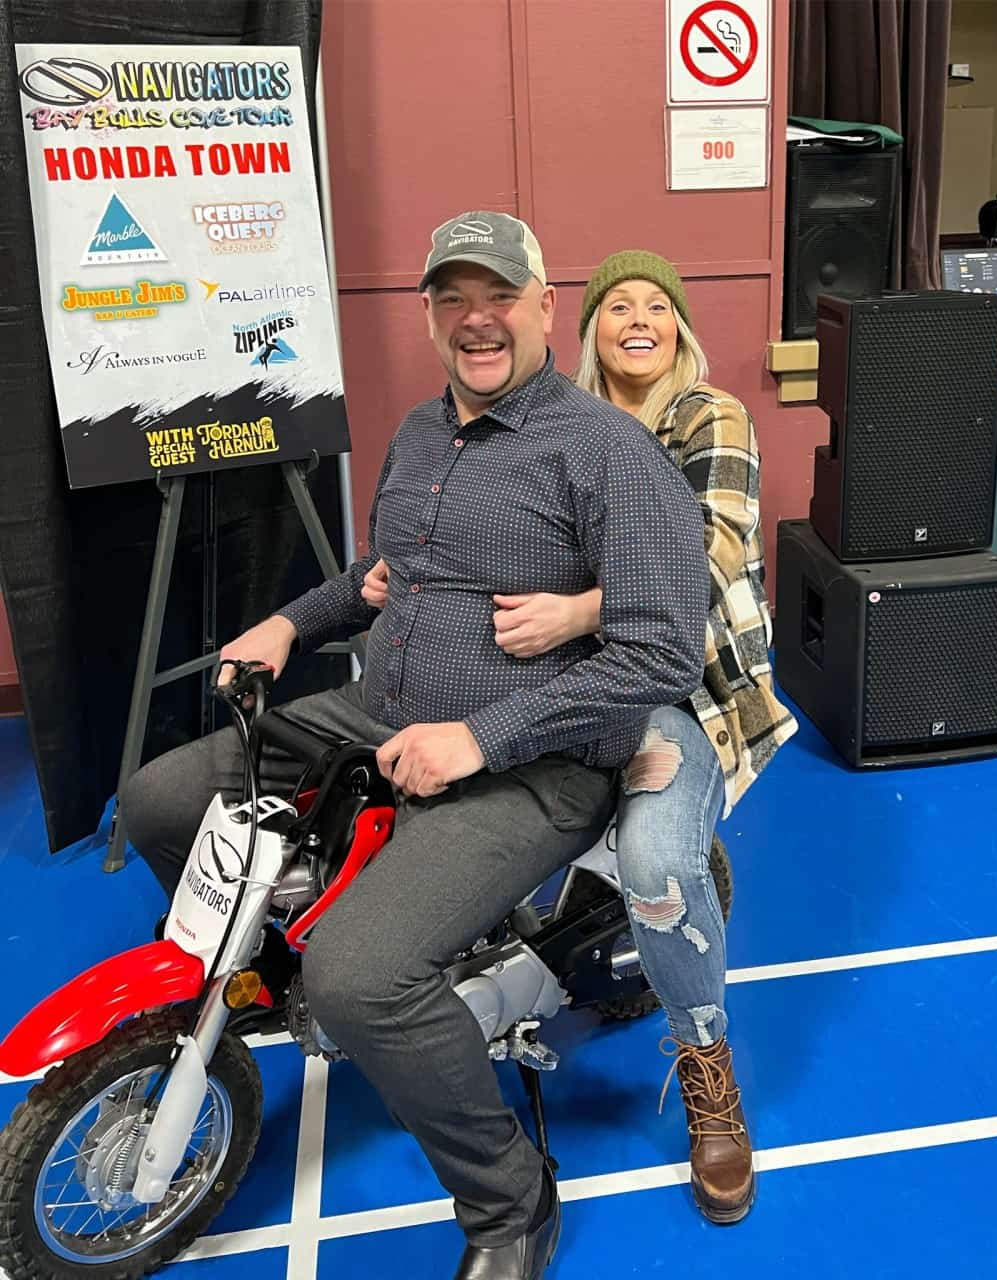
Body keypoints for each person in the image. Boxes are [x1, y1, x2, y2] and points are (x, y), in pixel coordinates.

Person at [121, 215, 710, 1280]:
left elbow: (662, 653)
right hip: (376, 719)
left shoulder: (607, 453)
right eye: (452, 296)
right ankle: (262, 987)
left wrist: (479, 737)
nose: (476, 317)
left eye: (499, 293)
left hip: (535, 758)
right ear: (432, 314)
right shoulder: (421, 434)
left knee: (361, 974)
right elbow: (378, 576)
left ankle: (510, 1198)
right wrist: (293, 622)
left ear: (542, 305)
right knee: (159, 800)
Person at [365, 249, 798, 1227]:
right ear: (583, 325)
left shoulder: (707, 418)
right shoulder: (551, 421)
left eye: (656, 303)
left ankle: (705, 1061)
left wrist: (572, 614)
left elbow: (705, 553)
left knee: (650, 853)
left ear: (679, 327)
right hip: (548, 693)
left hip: (666, 696)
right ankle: (458, 980)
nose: (636, 318)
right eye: (617, 305)